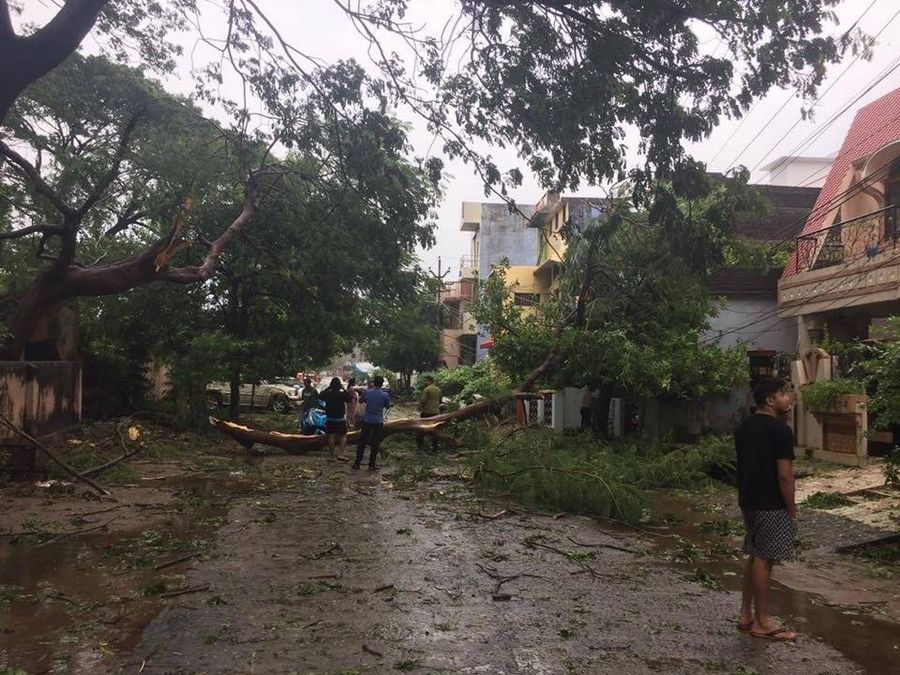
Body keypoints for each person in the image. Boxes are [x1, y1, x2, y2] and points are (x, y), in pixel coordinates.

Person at [734, 377, 798, 642]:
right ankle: (762, 621)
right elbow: (785, 475)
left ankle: (745, 614)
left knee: (754, 554)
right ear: (770, 400)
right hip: (771, 502)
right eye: (784, 394)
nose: (789, 398)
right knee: (765, 558)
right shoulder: (780, 431)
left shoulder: (743, 428)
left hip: (748, 500)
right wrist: (791, 507)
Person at [353, 375, 391, 470]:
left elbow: (361, 401)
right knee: (375, 443)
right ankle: (371, 464)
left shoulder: (367, 393)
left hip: (367, 420)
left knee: (362, 442)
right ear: (382, 384)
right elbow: (387, 406)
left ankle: (357, 463)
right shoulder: (385, 395)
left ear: (374, 382)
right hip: (378, 421)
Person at [320, 377, 351, 460]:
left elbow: (320, 395)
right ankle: (341, 454)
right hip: (340, 419)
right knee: (343, 435)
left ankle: (331, 456)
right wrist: (344, 389)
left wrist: (328, 388)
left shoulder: (328, 394)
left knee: (331, 436)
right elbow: (349, 399)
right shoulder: (342, 394)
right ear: (339, 386)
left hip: (330, 418)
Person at [416, 375, 442, 453]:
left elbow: (423, 401)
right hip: (436, 413)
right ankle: (435, 449)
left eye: (425, 381)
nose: (424, 382)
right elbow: (440, 400)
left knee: (421, 430)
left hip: (426, 413)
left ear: (429, 381)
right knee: (435, 431)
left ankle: (420, 447)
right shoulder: (438, 389)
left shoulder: (426, 389)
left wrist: (419, 408)